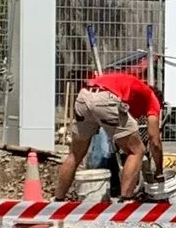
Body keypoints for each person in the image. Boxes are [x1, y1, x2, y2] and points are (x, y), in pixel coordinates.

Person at [52, 57, 165, 206]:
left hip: (84, 95)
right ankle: (126, 200)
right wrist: (158, 170)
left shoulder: (132, 86)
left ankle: (57, 200)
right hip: (105, 98)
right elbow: (154, 140)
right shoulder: (152, 99)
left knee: (75, 153)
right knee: (137, 150)